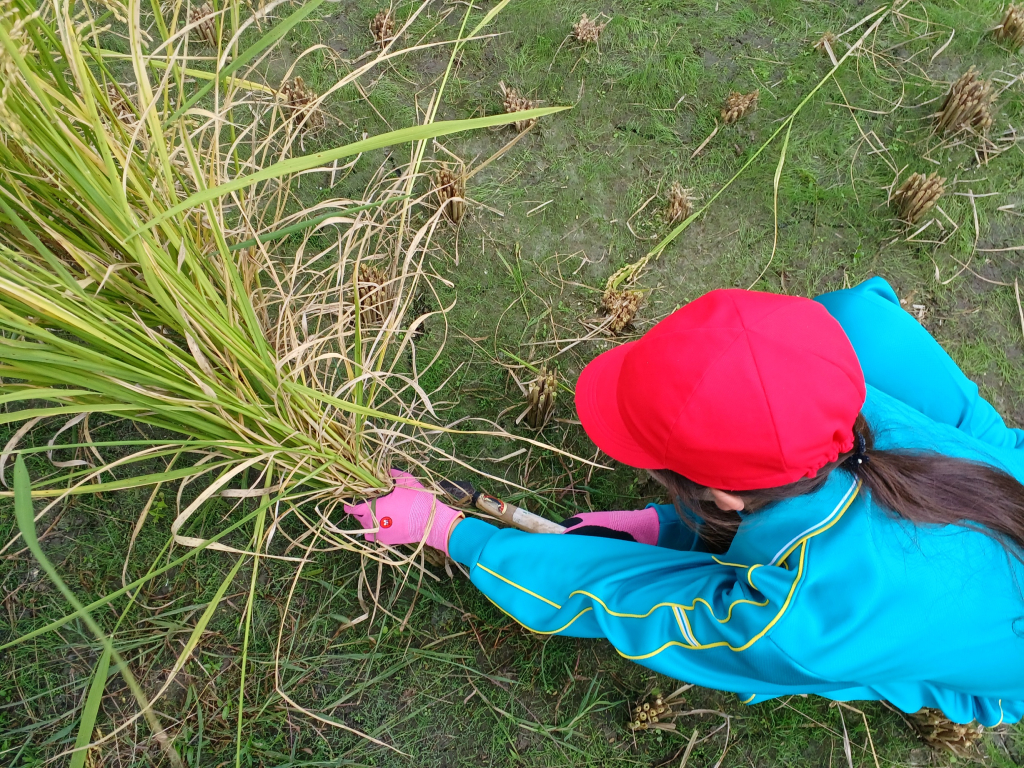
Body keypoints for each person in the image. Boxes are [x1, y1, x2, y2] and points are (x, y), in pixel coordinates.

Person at [345, 277, 1024, 727]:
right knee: (860, 325)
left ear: (724, 496)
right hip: (991, 484)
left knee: (818, 654)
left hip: (994, 655)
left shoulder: (802, 620)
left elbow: (633, 604)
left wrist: (449, 529)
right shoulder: (854, 407)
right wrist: (664, 524)